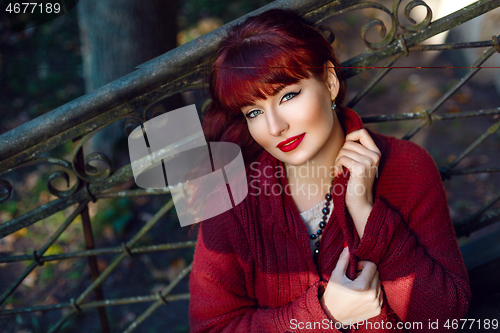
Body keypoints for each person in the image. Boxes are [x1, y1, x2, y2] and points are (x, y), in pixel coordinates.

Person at [189, 8, 471, 333]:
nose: (275, 126)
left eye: (288, 95)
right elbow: (212, 328)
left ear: (331, 82)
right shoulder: (230, 198)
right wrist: (322, 316)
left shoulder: (407, 167)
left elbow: (446, 317)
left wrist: (367, 216)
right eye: (254, 111)